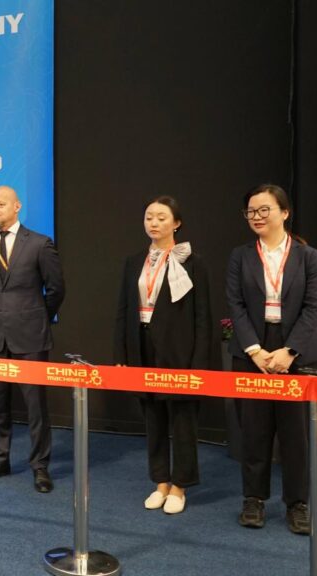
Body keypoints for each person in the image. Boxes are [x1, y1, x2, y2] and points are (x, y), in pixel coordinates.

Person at [228, 184, 317, 535]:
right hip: (253, 349)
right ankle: (253, 499)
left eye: (264, 210)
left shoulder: (307, 256)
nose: (256, 217)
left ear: (285, 212)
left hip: (295, 349)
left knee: (295, 433)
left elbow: (314, 306)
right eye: (251, 211)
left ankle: (298, 503)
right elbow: (235, 305)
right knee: (254, 430)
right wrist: (255, 350)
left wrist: (290, 350)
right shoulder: (240, 256)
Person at [114, 196, 210, 514]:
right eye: (149, 217)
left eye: (161, 217)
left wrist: (199, 363)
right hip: (141, 346)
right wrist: (121, 354)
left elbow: (203, 317)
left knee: (182, 420)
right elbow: (123, 310)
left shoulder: (194, 262)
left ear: (176, 223)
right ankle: (160, 482)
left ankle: (180, 486)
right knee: (153, 418)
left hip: (180, 350)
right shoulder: (133, 261)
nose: (153, 223)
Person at [0, 185, 64, 493]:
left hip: (31, 338)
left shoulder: (39, 243)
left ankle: (40, 466)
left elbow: (56, 289)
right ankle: (0, 459)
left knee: (36, 407)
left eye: (0, 204)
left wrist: (36, 316)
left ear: (17, 206)